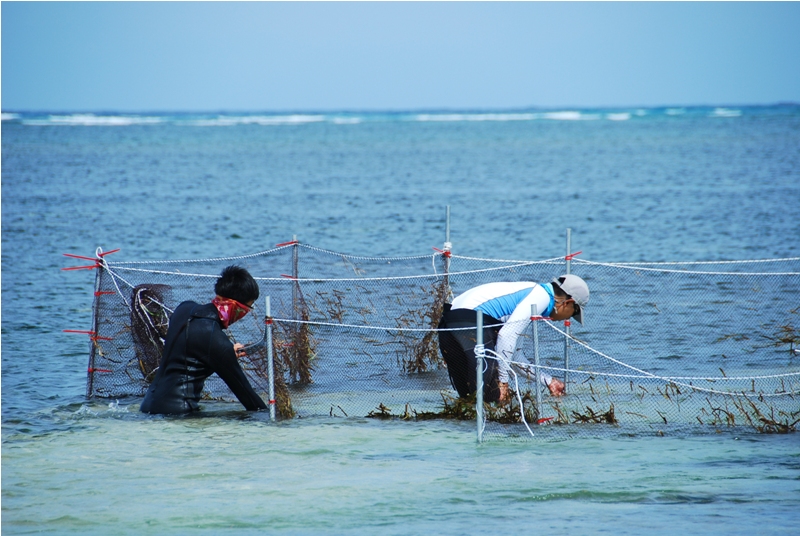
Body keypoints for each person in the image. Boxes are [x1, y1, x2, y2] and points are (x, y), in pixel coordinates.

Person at [437, 274, 589, 403]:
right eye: (573, 313)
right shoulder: (541, 297)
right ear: (568, 303)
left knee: (470, 400)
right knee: (492, 397)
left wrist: (548, 381)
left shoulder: (532, 296)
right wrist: (503, 382)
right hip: (470, 322)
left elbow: (515, 357)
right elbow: (505, 337)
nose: (568, 318)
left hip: (447, 326)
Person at [140, 265, 268, 415]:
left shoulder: (184, 308)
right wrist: (274, 420)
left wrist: (224, 354)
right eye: (246, 310)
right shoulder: (215, 338)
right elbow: (248, 398)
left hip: (148, 405)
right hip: (179, 414)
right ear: (234, 306)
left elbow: (186, 363)